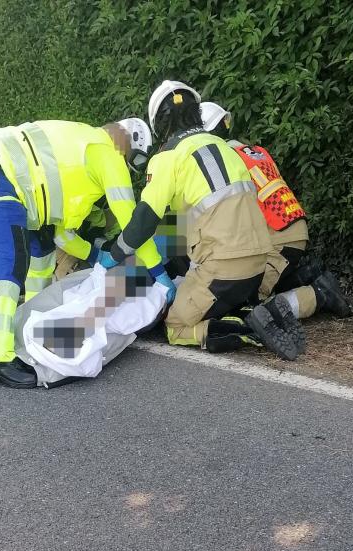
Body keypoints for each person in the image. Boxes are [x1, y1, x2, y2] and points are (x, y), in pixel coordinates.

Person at [99, 81, 305, 360]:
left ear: (160, 123)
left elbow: (146, 220)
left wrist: (114, 255)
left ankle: (249, 330)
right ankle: (255, 311)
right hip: (258, 264)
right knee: (215, 300)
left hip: (223, 269)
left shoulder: (167, 158)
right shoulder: (229, 150)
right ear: (197, 112)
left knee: (176, 325)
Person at [0, 118, 164, 388]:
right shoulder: (106, 151)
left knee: (43, 251)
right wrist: (158, 271)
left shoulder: (82, 156)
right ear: (127, 142)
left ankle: (26, 329)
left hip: (6, 179)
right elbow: (132, 221)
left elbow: (62, 235)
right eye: (134, 160)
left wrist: (96, 259)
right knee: (11, 259)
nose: (129, 168)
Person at [200, 101, 353, 323]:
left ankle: (319, 295)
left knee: (248, 307)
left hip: (277, 237)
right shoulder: (253, 151)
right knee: (255, 278)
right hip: (291, 228)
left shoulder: (224, 163)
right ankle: (305, 275)